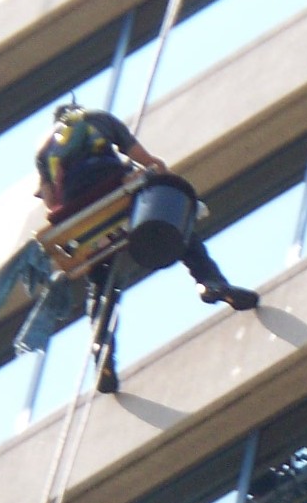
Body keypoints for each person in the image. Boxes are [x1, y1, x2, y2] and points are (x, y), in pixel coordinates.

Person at [35, 103, 259, 394]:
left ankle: (101, 346)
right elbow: (145, 160)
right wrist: (160, 172)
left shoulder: (43, 152)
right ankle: (209, 282)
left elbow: (52, 203)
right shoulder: (98, 119)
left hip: (81, 216)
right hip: (115, 188)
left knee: (101, 285)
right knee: (181, 232)